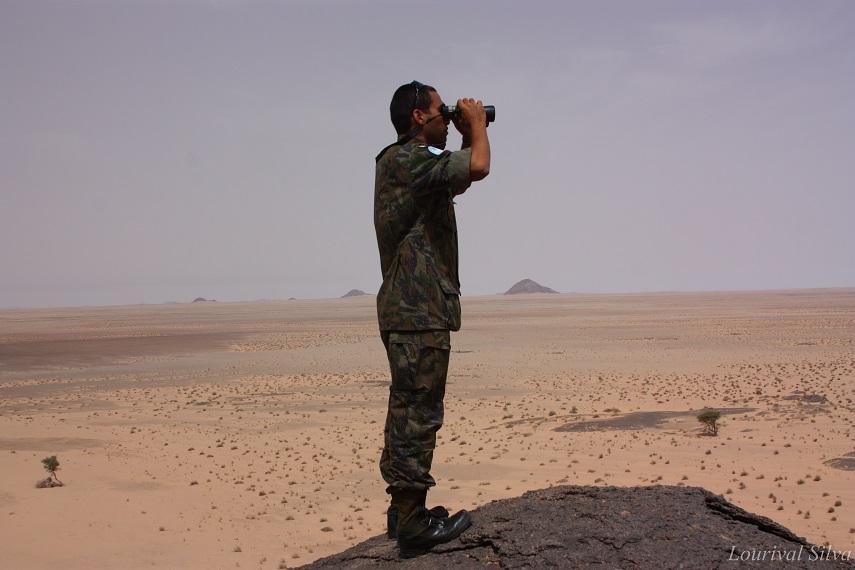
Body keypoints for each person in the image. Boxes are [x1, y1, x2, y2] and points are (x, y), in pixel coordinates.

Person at [373, 80, 491, 557]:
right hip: (417, 308)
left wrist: (462, 131)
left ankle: (403, 511)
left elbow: (459, 175)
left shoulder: (413, 163)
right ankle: (412, 523)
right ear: (419, 116)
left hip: (414, 308)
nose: (448, 117)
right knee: (418, 412)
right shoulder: (407, 158)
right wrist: (477, 125)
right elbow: (478, 166)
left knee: (408, 409)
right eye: (443, 111)